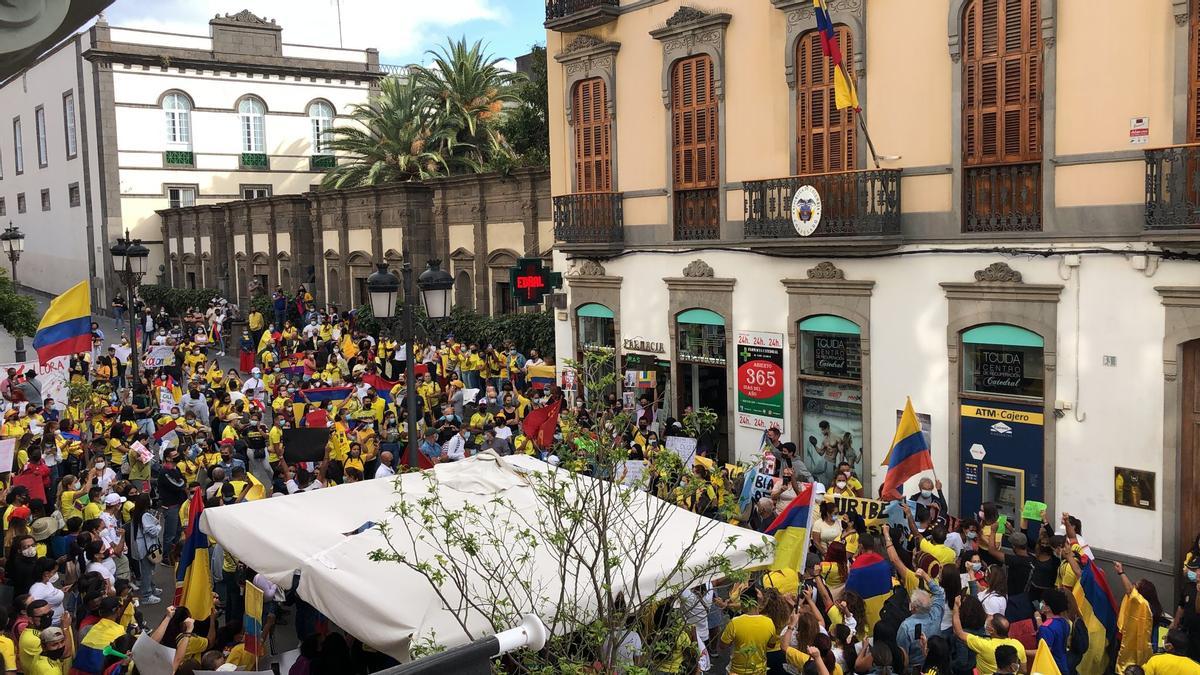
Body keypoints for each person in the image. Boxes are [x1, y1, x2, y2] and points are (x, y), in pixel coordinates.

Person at [952, 599, 1028, 675]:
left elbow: (959, 632)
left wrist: (956, 607)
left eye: (988, 623)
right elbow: (1023, 670)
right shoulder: (1018, 645)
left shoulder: (984, 645)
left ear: (991, 630)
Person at [896, 569, 946, 671]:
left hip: (914, 669)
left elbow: (902, 654)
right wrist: (925, 576)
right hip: (935, 666)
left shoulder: (906, 626)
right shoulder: (936, 614)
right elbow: (940, 593)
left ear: (913, 607)